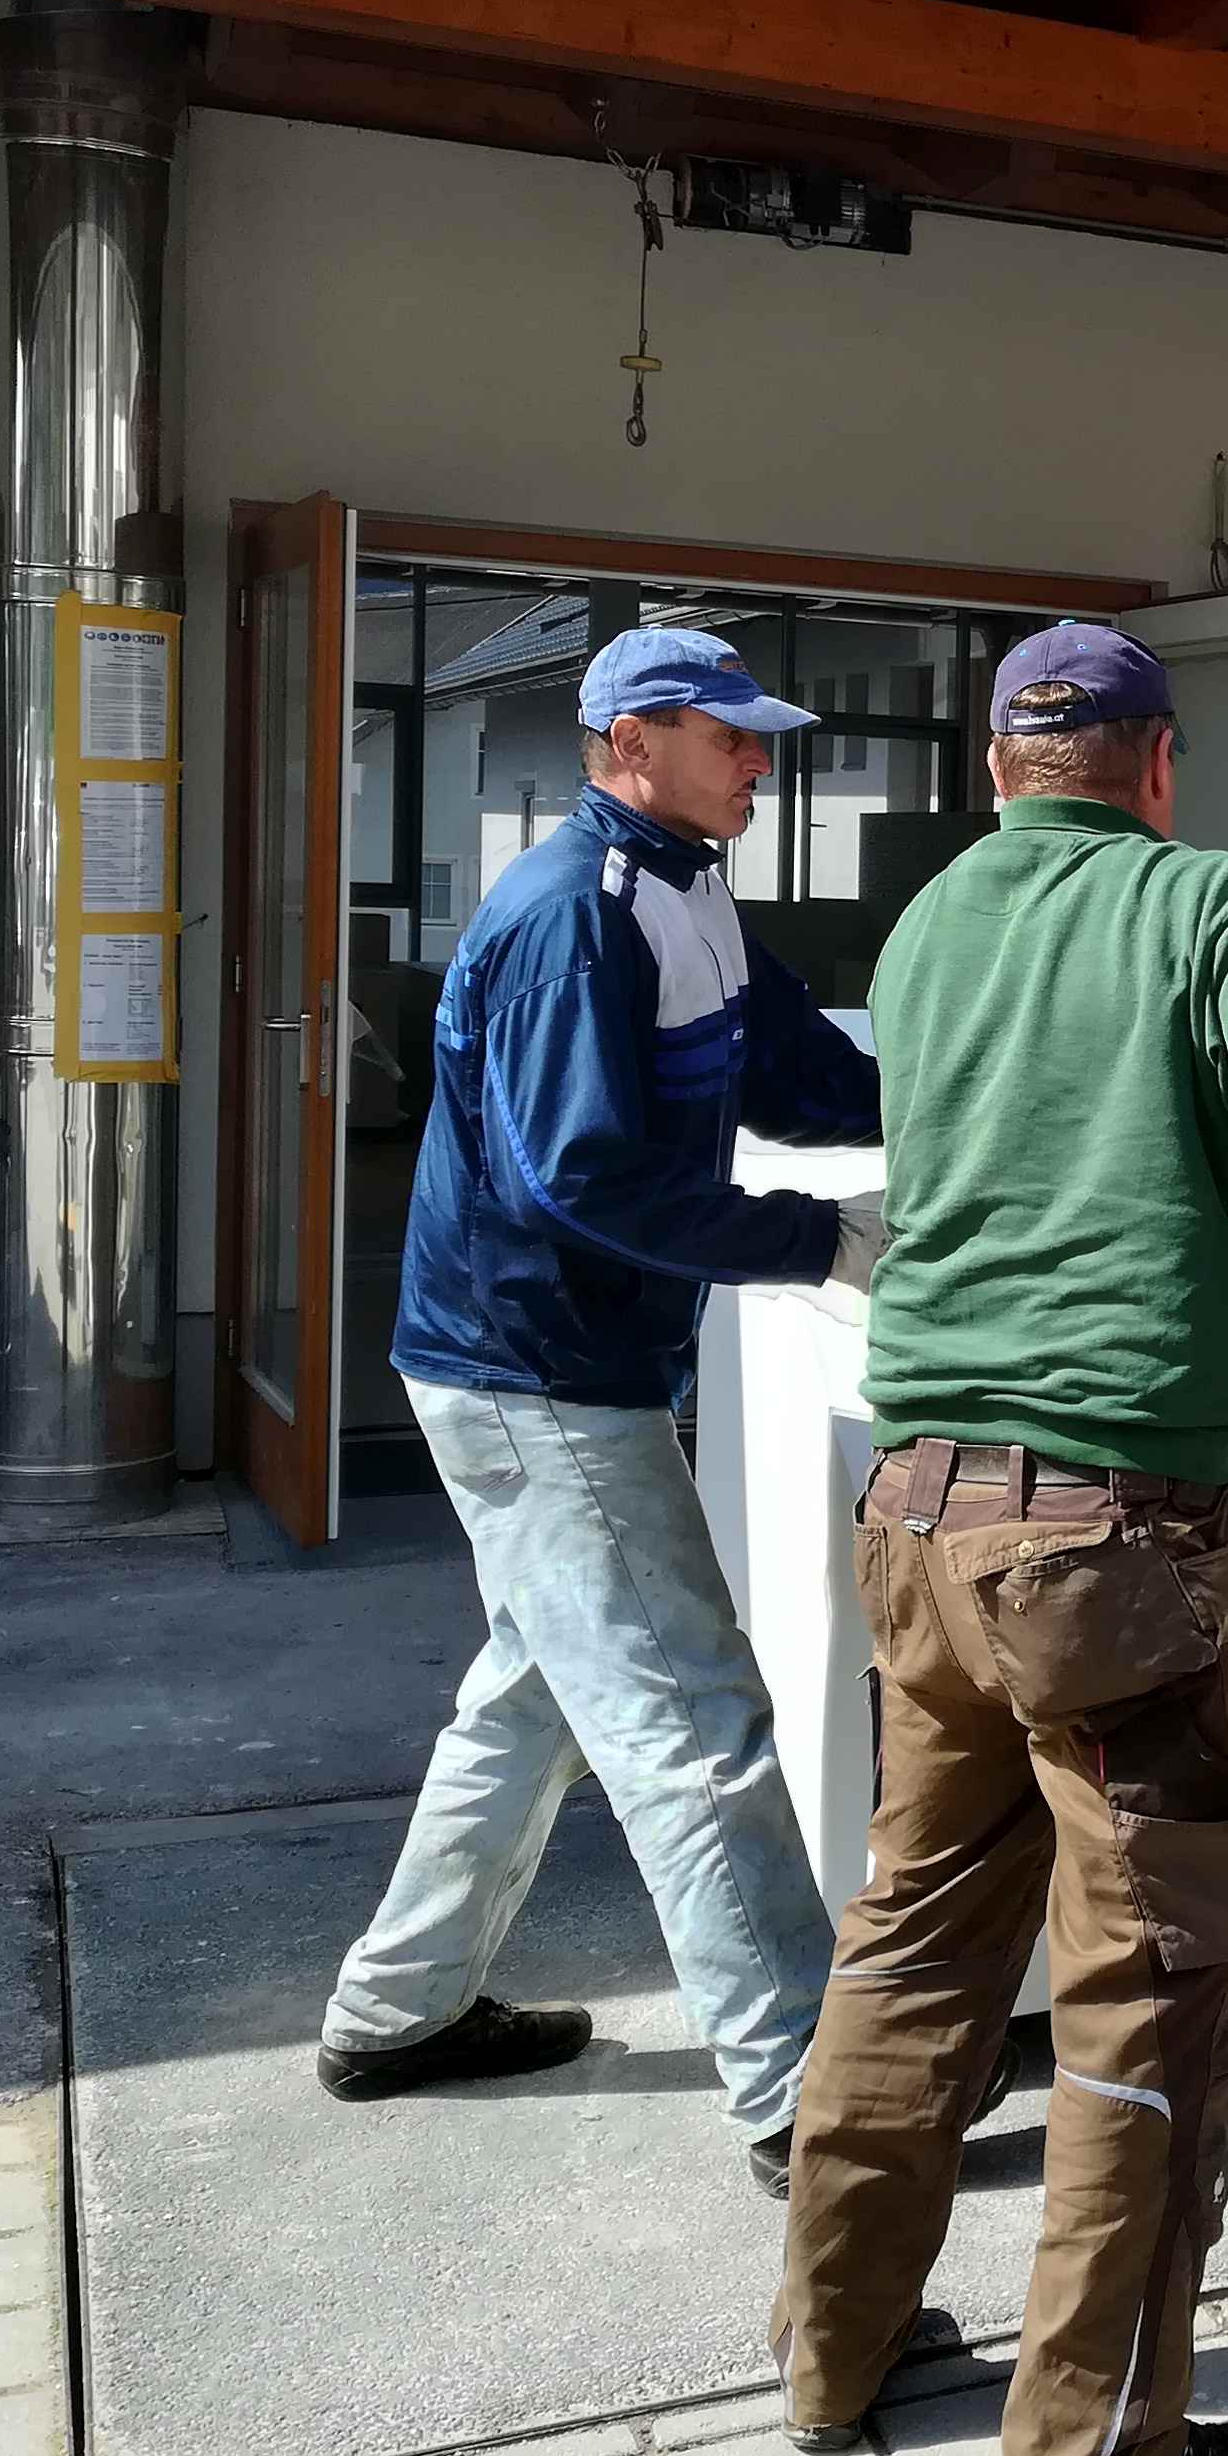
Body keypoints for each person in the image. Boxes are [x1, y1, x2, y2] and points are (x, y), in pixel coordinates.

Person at [770, 624, 1228, 2456]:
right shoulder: (1211, 906)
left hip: (917, 1515)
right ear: (1156, 767)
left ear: (1005, 768)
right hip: (1123, 1552)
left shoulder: (930, 931)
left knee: (912, 1935)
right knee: (1151, 1997)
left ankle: (831, 2356)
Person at [319, 627, 889, 2198]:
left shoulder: (688, 885)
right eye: (734, 739)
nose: (763, 764)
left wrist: (975, 1095)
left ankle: (394, 2013)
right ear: (632, 741)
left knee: (540, 1698)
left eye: (763, 739)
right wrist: (811, 1239)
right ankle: (805, 2098)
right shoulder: (575, 913)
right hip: (534, 1376)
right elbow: (586, 1175)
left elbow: (789, 1069)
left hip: (571, 1365)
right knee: (694, 1718)